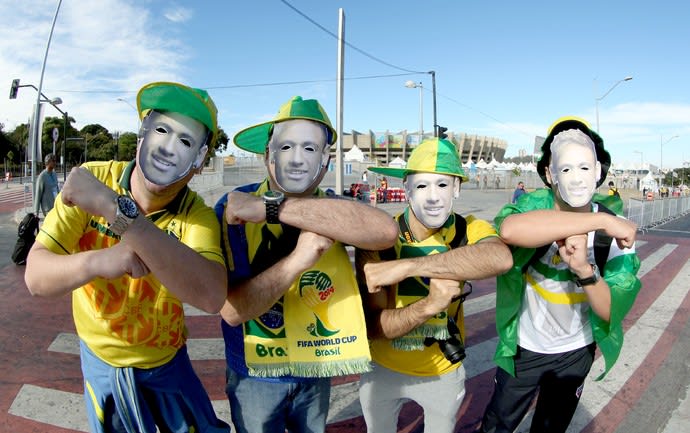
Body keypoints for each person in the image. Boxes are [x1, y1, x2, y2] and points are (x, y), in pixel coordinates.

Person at [24, 81, 230, 433]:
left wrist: (114, 211)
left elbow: (211, 295)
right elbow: (36, 277)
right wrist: (98, 262)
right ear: (141, 135)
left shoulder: (195, 215)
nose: (167, 148)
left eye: (185, 142)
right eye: (161, 130)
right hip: (101, 363)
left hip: (168, 363)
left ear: (199, 162)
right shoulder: (94, 178)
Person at [215, 96, 398, 433]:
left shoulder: (334, 209)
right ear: (268, 155)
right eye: (286, 147)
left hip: (316, 364)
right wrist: (300, 258)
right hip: (255, 372)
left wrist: (274, 209)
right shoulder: (234, 206)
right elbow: (233, 309)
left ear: (326, 162)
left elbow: (385, 231)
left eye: (310, 149)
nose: (297, 159)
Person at [478, 116, 641, 433]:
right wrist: (598, 223)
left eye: (585, 167)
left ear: (598, 172)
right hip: (525, 346)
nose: (577, 178)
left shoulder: (615, 230)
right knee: (496, 425)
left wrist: (584, 270)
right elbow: (511, 230)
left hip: (575, 352)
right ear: (549, 174)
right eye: (566, 168)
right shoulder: (537, 208)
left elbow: (611, 310)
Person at [356, 138, 513, 433]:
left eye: (442, 185)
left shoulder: (469, 229)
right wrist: (430, 305)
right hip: (383, 368)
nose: (433, 197)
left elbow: (500, 258)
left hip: (442, 370)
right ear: (406, 189)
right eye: (422, 186)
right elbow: (374, 328)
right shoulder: (380, 236)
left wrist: (408, 266)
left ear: (457, 188)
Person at [34, 152, 60, 217]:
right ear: (48, 162)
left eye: (55, 160)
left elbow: (57, 189)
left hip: (56, 207)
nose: (55, 162)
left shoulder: (54, 174)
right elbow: (38, 195)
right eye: (53, 161)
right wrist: (36, 213)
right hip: (47, 209)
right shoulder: (42, 177)